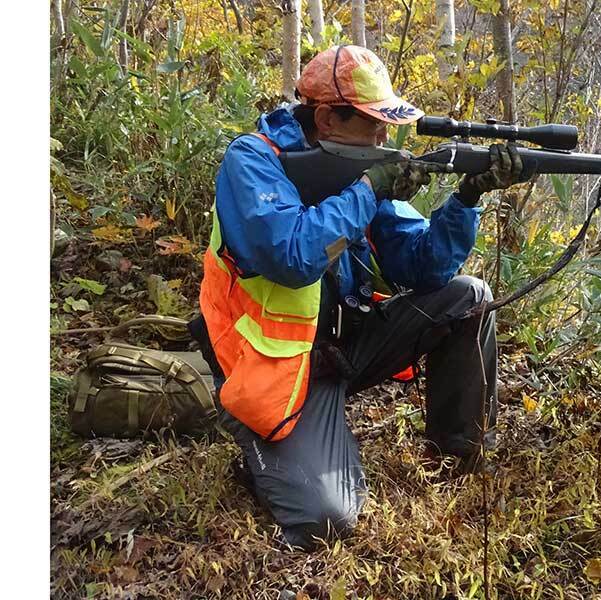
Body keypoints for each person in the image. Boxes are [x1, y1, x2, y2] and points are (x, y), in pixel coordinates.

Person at [190, 45, 525, 550]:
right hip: (274, 369)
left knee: (467, 297)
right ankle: (257, 443)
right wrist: (368, 190)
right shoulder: (252, 162)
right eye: (373, 125)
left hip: (346, 345)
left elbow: (423, 267)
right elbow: (293, 256)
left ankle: (458, 457)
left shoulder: (358, 172)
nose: (384, 139)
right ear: (326, 118)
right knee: (326, 520)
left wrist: (466, 199)